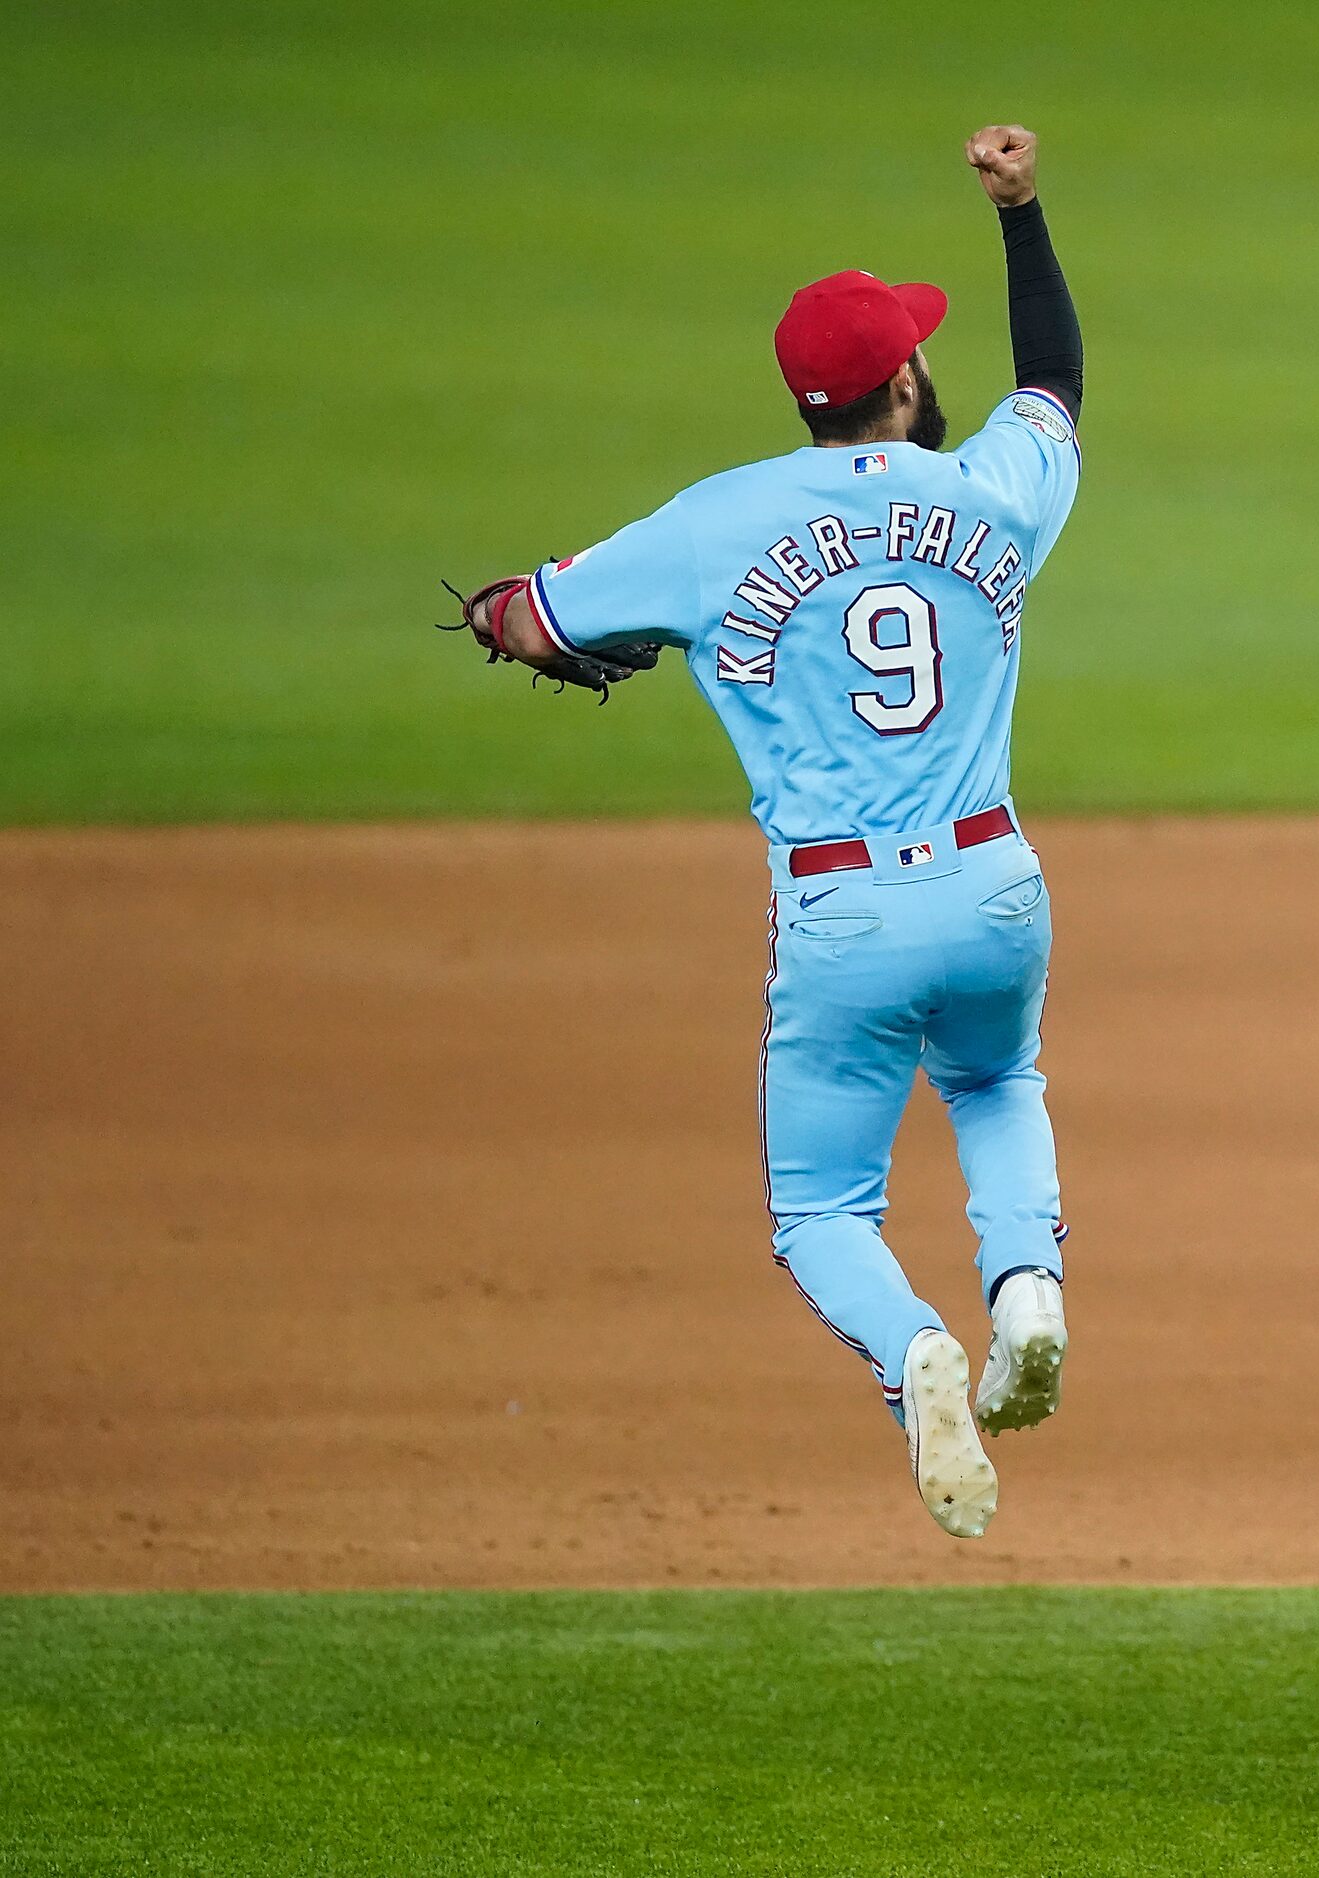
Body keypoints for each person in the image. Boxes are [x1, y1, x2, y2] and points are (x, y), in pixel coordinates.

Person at [456, 126, 1084, 1540]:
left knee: (819, 1209)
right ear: (907, 381)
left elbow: (531, 612)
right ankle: (1026, 1287)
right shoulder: (985, 491)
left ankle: (913, 1348)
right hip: (994, 882)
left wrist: (521, 624)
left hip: (842, 917)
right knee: (993, 1082)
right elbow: (1053, 383)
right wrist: (1022, 215)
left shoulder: (714, 521)